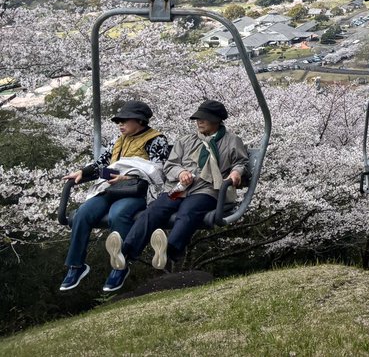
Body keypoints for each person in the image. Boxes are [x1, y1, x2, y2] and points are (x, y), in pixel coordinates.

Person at [103, 99, 248, 291]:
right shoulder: (186, 140)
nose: (199, 122)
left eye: (204, 119)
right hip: (179, 188)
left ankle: (169, 250)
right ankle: (125, 253)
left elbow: (241, 162)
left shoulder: (231, 141)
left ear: (216, 120)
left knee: (188, 212)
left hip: (207, 188)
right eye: (197, 119)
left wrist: (236, 173)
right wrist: (181, 173)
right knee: (154, 211)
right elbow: (170, 165)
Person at [59, 100, 170, 292]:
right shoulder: (118, 140)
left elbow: (158, 172)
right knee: (83, 213)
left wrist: (127, 177)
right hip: (110, 188)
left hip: (135, 191)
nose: (120, 124)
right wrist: (83, 172)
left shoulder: (156, 140)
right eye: (119, 121)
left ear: (140, 121)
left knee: (118, 214)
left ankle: (120, 265)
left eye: (125, 120)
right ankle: (76, 265)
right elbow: (102, 164)